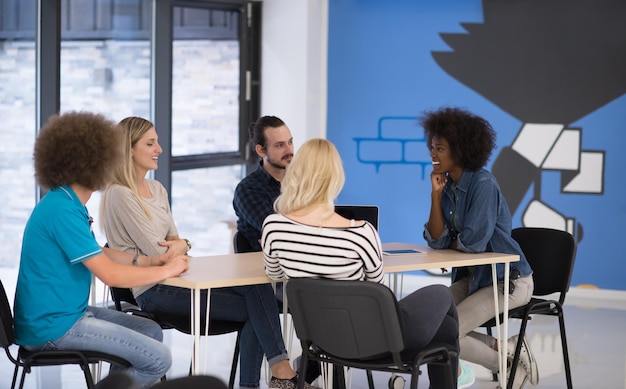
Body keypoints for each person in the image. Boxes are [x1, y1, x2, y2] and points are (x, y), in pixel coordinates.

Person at [100, 116, 313, 389]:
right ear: (129, 149)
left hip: (178, 281)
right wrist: (177, 247)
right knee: (260, 308)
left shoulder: (156, 188)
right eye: (150, 143)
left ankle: (273, 377)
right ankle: (272, 378)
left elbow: (175, 241)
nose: (159, 150)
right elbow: (160, 250)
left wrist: (182, 245)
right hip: (152, 290)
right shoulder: (121, 194)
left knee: (258, 293)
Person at [262, 138, 460, 389]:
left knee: (447, 327)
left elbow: (274, 272)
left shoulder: (273, 226)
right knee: (443, 296)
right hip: (375, 342)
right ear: (335, 178)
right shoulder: (361, 233)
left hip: (322, 340)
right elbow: (378, 290)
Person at [13, 111, 190, 388]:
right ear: (89, 165)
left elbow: (98, 252)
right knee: (159, 359)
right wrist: (168, 268)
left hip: (68, 315)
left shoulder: (67, 202)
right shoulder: (62, 210)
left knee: (149, 329)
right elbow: (111, 276)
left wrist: (147, 261)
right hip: (54, 328)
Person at [421, 106, 538, 389]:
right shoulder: (448, 186)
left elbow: (472, 243)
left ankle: (507, 365)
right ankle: (508, 348)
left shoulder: (483, 183)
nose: (433, 154)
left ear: (459, 150)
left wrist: (454, 242)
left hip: (508, 281)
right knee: (430, 324)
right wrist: (436, 195)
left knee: (450, 333)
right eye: (432, 147)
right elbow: (437, 240)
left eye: (440, 148)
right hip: (476, 279)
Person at [233, 115, 294, 251]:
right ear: (261, 150)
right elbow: (281, 233)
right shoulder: (247, 189)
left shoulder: (301, 181)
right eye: (280, 145)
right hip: (262, 267)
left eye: (290, 142)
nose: (289, 150)